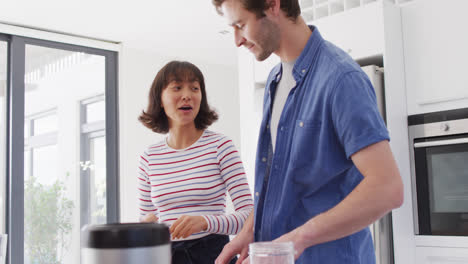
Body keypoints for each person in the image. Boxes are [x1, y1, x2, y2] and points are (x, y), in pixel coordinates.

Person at [211, 0, 404, 263]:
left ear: (272, 5)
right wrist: (249, 231)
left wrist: (299, 238)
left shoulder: (341, 79)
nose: (236, 40)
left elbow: (387, 188)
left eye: (241, 25)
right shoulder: (275, 81)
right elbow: (280, 182)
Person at [137, 60, 253, 264]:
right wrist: (146, 225)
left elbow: (249, 218)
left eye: (194, 88)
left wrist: (205, 222)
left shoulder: (220, 146)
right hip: (165, 256)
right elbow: (147, 219)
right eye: (177, 87)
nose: (187, 95)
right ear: (160, 99)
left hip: (213, 255)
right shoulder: (149, 157)